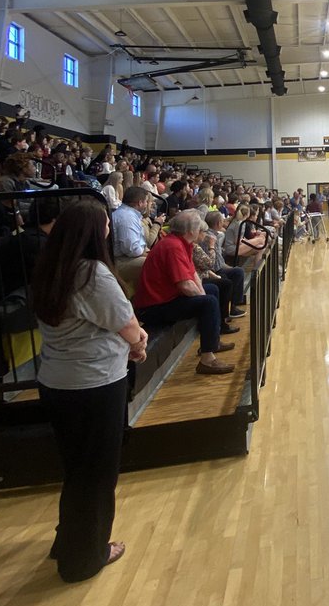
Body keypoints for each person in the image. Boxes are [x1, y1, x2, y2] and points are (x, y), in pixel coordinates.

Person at [31, 200, 147, 582]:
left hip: (58, 382)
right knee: (97, 474)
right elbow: (126, 324)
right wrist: (139, 343)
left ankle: (68, 542)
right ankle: (85, 557)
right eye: (106, 227)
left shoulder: (50, 268)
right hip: (94, 383)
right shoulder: (92, 273)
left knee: (78, 469)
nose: (110, 232)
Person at [134, 209, 235, 376]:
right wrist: (204, 298)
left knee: (213, 289)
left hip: (166, 298)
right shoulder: (173, 246)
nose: (202, 230)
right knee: (208, 301)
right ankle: (207, 360)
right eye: (199, 228)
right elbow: (185, 285)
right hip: (153, 307)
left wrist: (203, 294)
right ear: (191, 231)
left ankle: (213, 341)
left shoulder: (182, 243)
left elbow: (192, 275)